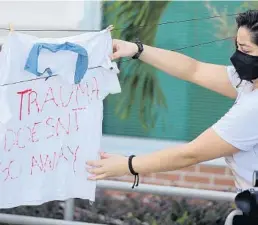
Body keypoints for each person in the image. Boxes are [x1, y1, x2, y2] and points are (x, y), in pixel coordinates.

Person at [86, 9, 258, 192]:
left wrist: (127, 165)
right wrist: (136, 50)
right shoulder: (248, 82)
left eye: (245, 49)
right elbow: (194, 69)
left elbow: (190, 154)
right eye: (237, 47)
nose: (237, 56)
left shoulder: (253, 108)